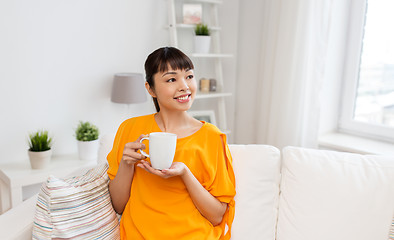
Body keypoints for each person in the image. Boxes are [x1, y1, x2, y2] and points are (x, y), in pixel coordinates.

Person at [107, 47, 236, 240]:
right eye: (171, 79)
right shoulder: (131, 129)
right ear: (150, 89)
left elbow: (217, 216)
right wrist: (126, 164)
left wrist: (185, 174)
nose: (184, 86)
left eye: (189, 76)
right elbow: (119, 206)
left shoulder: (211, 136)